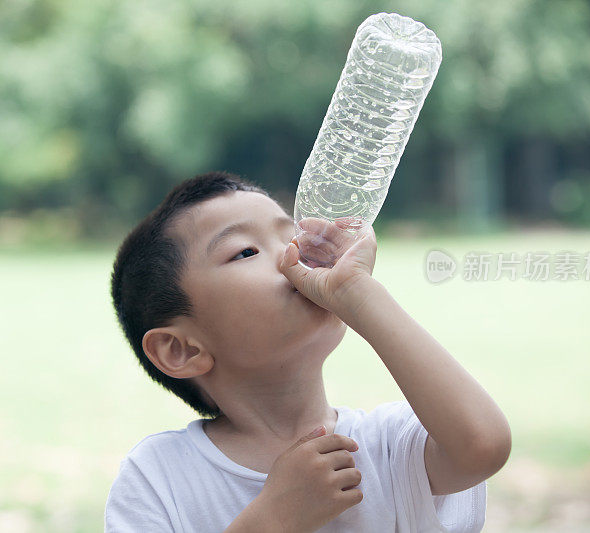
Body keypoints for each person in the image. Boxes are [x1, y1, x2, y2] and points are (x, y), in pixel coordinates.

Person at [105, 171, 510, 532]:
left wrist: (360, 297)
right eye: (246, 251)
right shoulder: (158, 479)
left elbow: (482, 446)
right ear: (180, 349)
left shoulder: (387, 445)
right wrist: (275, 518)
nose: (295, 255)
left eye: (292, 235)